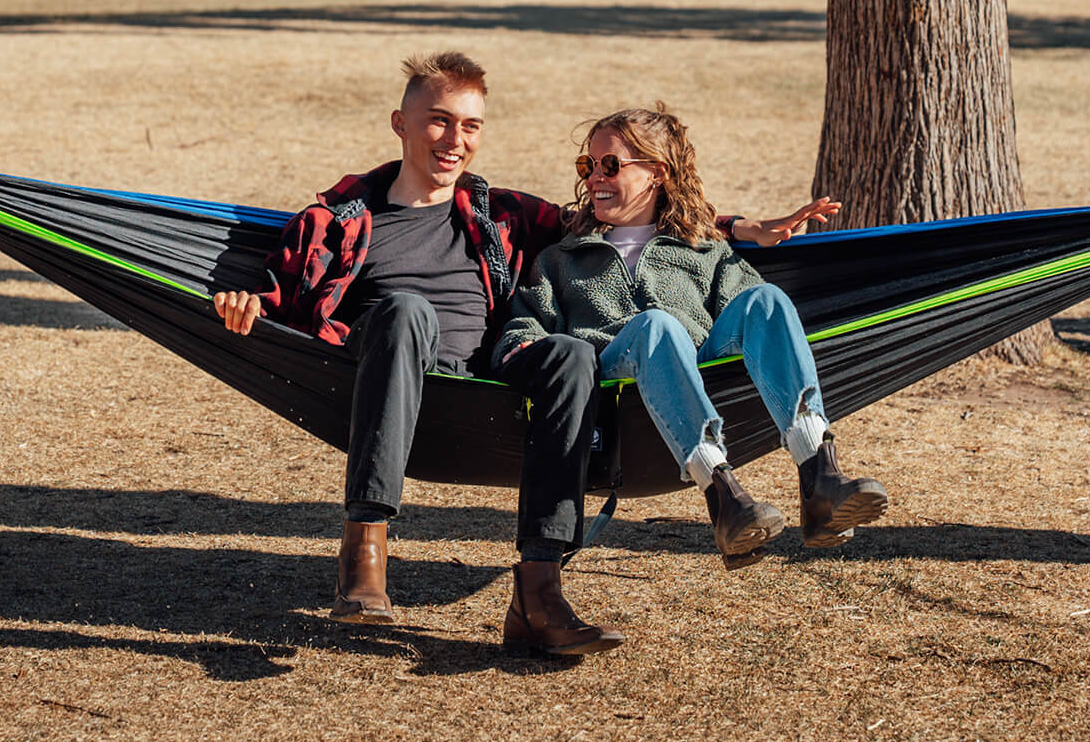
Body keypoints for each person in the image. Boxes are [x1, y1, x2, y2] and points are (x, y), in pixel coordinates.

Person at [212, 55, 831, 657]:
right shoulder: (341, 218)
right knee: (406, 309)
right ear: (401, 124)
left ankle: (540, 594)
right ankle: (364, 549)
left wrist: (740, 227)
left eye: (470, 126)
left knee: (569, 354)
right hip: (401, 371)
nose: (454, 140)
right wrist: (248, 302)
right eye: (439, 120)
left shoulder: (500, 212)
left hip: (491, 377)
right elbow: (281, 293)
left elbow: (627, 213)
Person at [496, 105, 887, 572]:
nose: (595, 177)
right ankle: (722, 495)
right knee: (657, 325)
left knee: (767, 299)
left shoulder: (703, 248)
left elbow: (757, 323)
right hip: (612, 385)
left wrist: (738, 233)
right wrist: (522, 352)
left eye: (611, 165)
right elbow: (525, 323)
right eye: (588, 165)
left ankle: (819, 473)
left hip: (697, 373)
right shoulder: (562, 256)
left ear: (656, 173)